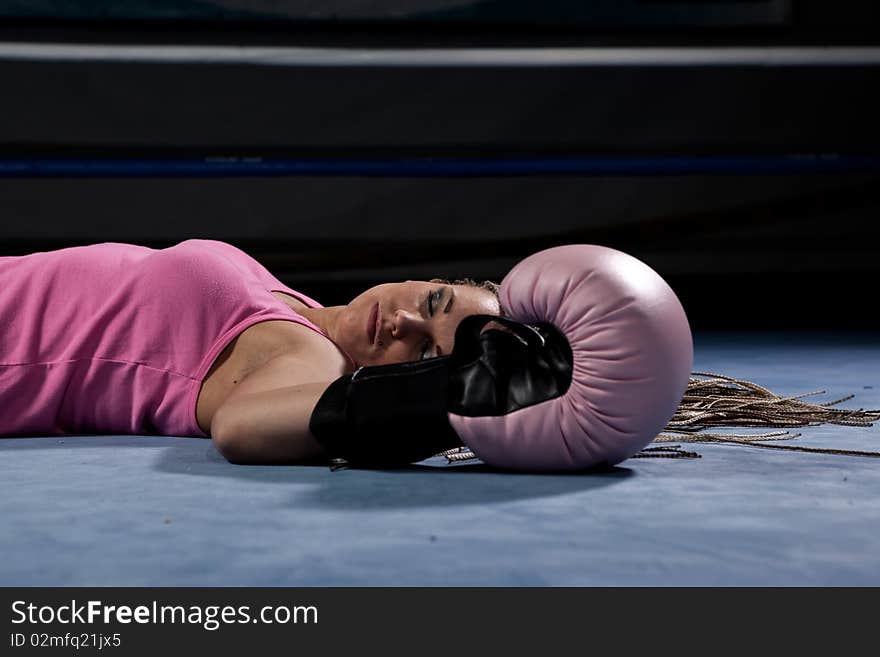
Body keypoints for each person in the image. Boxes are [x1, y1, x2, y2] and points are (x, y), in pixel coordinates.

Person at [0, 238, 504, 466]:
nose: (403, 322)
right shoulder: (303, 313)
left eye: (421, 354)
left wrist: (455, 400)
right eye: (432, 301)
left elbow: (240, 428)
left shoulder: (313, 361)